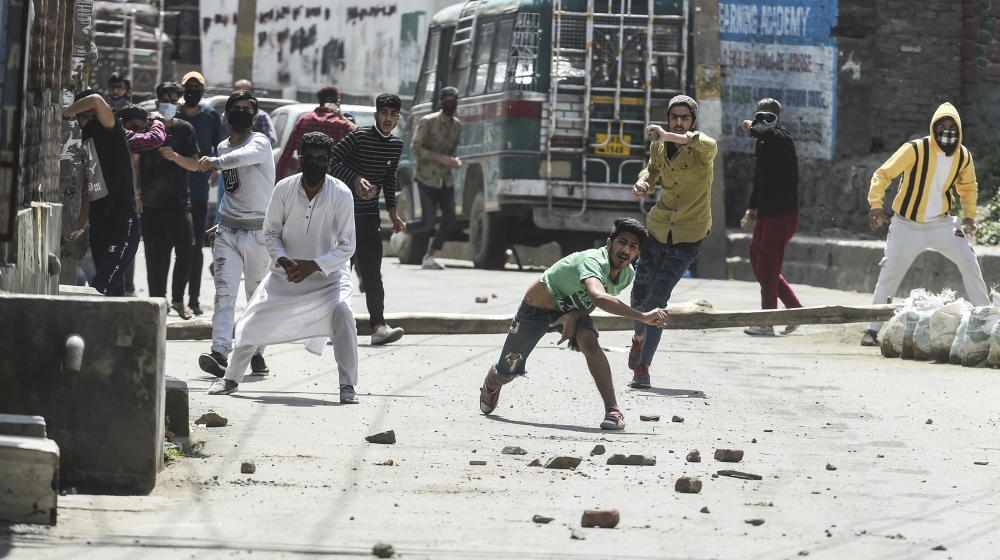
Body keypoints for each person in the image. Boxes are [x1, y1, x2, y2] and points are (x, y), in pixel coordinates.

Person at [207, 132, 361, 404]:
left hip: (329, 279)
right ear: (300, 159)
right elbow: (270, 233)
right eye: (310, 158)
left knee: (344, 313)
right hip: (284, 276)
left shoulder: (341, 193)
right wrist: (283, 261)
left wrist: (314, 265)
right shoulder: (284, 188)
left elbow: (347, 245)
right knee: (251, 320)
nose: (315, 163)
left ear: (330, 163)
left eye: (321, 159)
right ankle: (231, 379)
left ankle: (347, 385)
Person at [478, 218, 668, 430]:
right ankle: (491, 381)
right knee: (506, 375)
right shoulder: (593, 261)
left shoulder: (626, 274)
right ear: (609, 243)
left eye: (633, 246)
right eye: (621, 242)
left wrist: (575, 315)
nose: (626, 250)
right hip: (534, 311)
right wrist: (643, 316)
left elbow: (593, 299)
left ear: (638, 253)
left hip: (570, 309)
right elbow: (598, 297)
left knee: (589, 341)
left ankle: (613, 411)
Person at [862, 102, 988, 346]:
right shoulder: (915, 149)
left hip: (943, 224)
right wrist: (876, 204)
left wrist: (970, 215)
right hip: (906, 225)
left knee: (969, 261)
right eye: (942, 126)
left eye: (952, 127)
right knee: (889, 274)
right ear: (933, 127)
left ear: (959, 129)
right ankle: (872, 331)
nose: (947, 131)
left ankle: (984, 319)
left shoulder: (963, 156)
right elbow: (883, 174)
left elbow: (968, 187)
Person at [628, 95, 717, 388]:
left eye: (684, 118)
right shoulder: (659, 146)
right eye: (674, 117)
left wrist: (668, 136)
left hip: (689, 233)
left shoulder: (703, 147)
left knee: (658, 296)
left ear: (693, 122)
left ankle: (643, 366)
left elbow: (707, 143)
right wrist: (644, 181)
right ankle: (638, 337)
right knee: (639, 293)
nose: (679, 122)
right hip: (658, 227)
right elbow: (652, 169)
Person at [198, 90, 276, 377]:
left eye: (247, 110)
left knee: (256, 296)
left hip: (259, 234)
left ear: (255, 118)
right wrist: (223, 221)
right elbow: (234, 191)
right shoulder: (222, 147)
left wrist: (215, 162)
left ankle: (256, 351)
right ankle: (219, 351)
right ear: (227, 115)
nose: (241, 113)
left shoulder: (260, 142)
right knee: (224, 294)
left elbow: (243, 158)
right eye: (236, 109)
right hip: (227, 233)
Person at [329, 93, 406, 346]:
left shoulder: (396, 145)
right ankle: (332, 327)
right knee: (340, 273)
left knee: (373, 273)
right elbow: (331, 162)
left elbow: (389, 179)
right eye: (384, 113)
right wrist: (355, 179)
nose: (388, 118)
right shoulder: (359, 137)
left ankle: (379, 327)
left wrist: (393, 213)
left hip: (369, 217)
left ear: (398, 118)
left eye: (393, 114)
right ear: (376, 115)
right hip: (343, 215)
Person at [63, 90, 141, 296]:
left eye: (94, 116)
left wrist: (64, 114)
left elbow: (96, 101)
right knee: (113, 296)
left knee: (100, 288)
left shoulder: (112, 131)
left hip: (122, 225)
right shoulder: (88, 144)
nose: (90, 121)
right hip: (99, 228)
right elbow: (93, 190)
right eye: (84, 117)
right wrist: (78, 229)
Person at [136, 82, 201, 318]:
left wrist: (175, 157)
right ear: (156, 103)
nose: (169, 105)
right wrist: (136, 195)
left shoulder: (185, 129)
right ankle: (157, 303)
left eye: (173, 102)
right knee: (155, 256)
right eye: (165, 101)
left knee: (187, 248)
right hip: (151, 203)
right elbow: (135, 163)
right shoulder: (146, 128)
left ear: (179, 105)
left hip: (179, 202)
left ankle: (178, 299)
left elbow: (195, 164)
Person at [739, 98, 802, 336]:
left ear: (776, 119)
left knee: (766, 265)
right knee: (758, 263)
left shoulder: (782, 138)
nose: (763, 121)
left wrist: (752, 124)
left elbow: (765, 131)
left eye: (769, 117)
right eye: (760, 116)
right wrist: (752, 207)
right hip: (766, 212)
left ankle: (767, 321)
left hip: (782, 213)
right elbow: (760, 178)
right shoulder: (764, 143)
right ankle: (796, 311)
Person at [399, 86, 462, 270]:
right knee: (428, 222)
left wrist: (454, 161)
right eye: (447, 101)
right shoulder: (428, 121)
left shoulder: (457, 126)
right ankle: (400, 228)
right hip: (426, 178)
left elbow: (452, 151)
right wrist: (440, 158)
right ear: (441, 102)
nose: (450, 104)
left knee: (449, 220)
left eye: (454, 101)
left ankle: (430, 256)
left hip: (445, 179)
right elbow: (415, 149)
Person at [176, 71, 223, 316]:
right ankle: (172, 298)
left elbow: (220, 147)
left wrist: (216, 168)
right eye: (189, 87)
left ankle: (193, 299)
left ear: (203, 91)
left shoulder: (210, 116)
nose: (192, 91)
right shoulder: (174, 116)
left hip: (198, 191)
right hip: (173, 191)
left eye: (197, 88)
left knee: (195, 247)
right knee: (175, 247)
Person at [275, 86, 355, 181]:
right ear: (336, 102)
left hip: (304, 179)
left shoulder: (303, 120)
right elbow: (363, 136)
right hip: (329, 180)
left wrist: (279, 181)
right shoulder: (339, 123)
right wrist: (343, 118)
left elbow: (286, 154)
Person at [107, 71, 138, 294]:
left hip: (128, 186)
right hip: (108, 184)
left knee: (128, 237)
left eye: (120, 87)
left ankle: (128, 287)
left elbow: (136, 158)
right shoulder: (106, 115)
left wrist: (136, 191)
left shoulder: (135, 116)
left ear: (129, 91)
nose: (116, 92)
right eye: (113, 87)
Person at [221, 79, 277, 147]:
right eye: (236, 109)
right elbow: (219, 139)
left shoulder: (262, 117)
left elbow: (271, 141)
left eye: (246, 111)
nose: (242, 96)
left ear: (254, 118)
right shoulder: (226, 117)